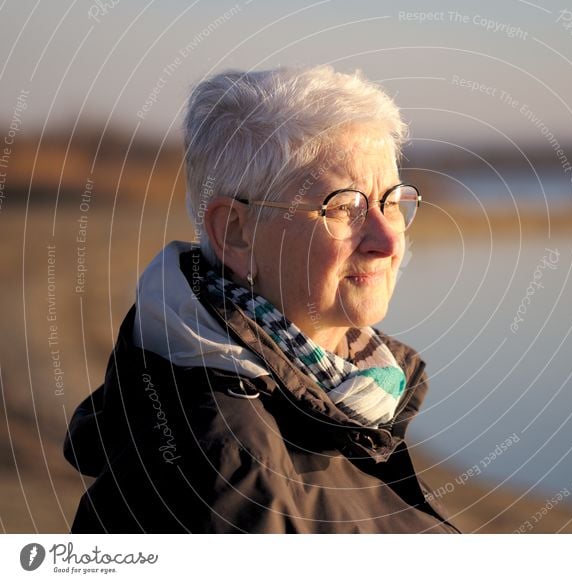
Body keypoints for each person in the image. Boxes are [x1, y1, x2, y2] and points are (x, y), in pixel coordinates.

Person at [63, 66, 460, 534]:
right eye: (345, 207)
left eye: (391, 201)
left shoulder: (350, 394)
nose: (388, 242)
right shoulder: (223, 469)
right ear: (235, 233)